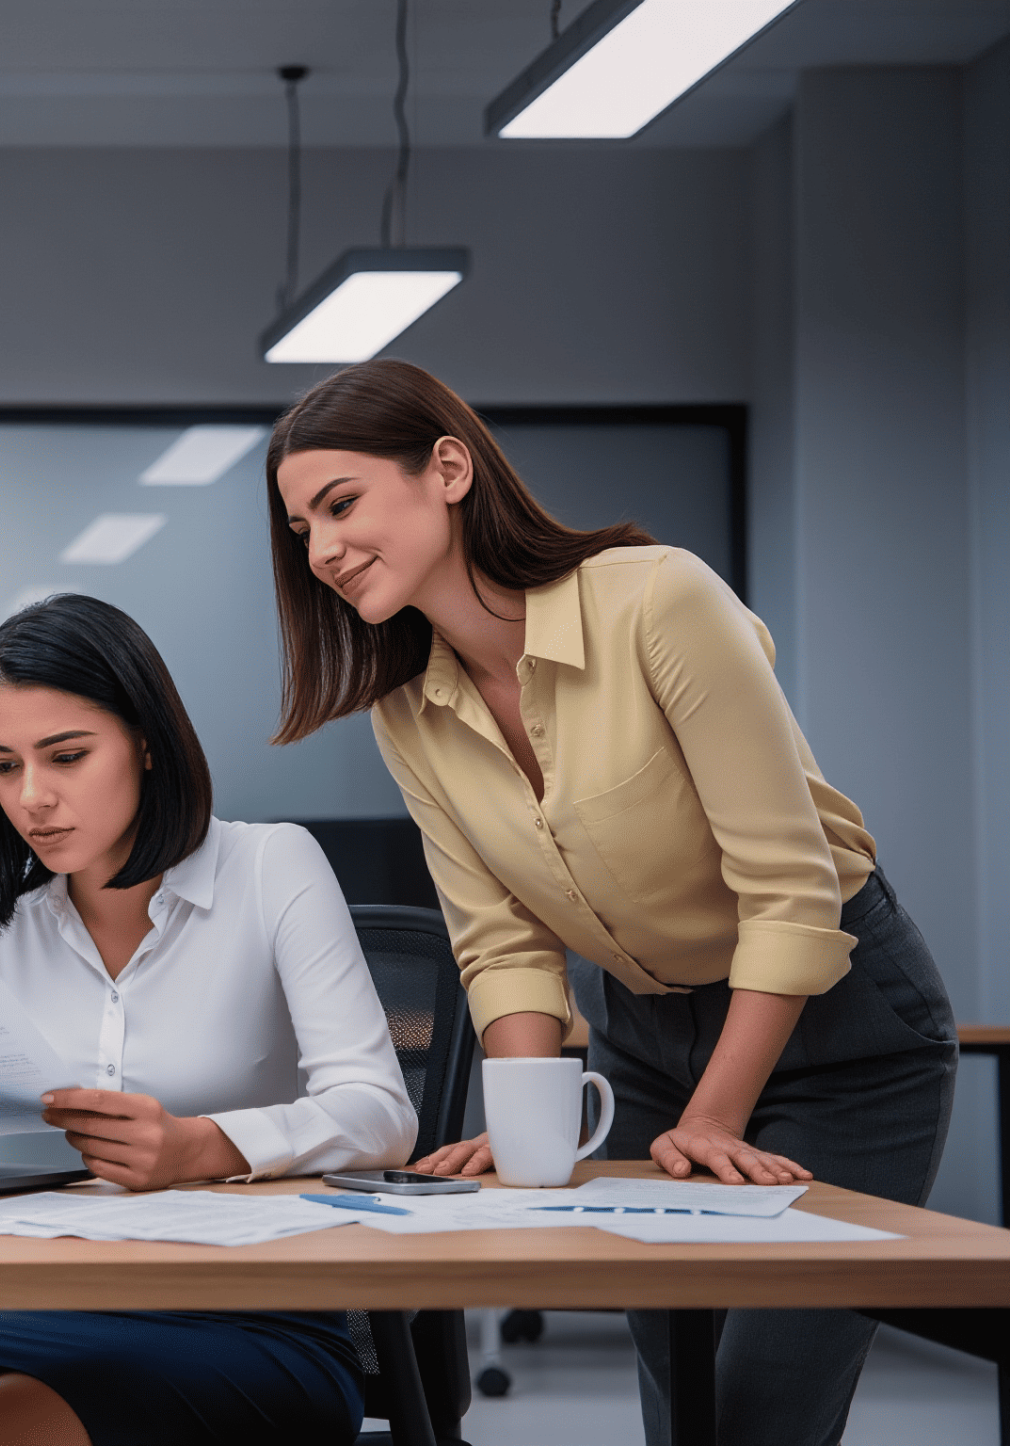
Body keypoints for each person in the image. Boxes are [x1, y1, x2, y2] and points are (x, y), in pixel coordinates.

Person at [266, 358, 956, 1446]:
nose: (321, 549)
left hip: (840, 1033)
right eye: (301, 525)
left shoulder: (655, 599)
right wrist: (530, 1111)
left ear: (448, 468)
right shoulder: (409, 711)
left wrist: (715, 1115)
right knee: (682, 1405)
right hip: (645, 1035)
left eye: (340, 503)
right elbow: (500, 944)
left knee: (757, 1412)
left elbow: (788, 886)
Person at [0, 595, 415, 1446]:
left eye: (67, 756)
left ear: (149, 742)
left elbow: (381, 1113)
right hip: (73, 1293)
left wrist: (202, 1146)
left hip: (258, 1312)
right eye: (4, 765)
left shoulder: (272, 867)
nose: (32, 798)